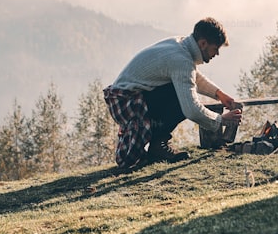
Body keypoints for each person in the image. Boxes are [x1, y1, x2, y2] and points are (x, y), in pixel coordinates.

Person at [104, 17, 243, 170]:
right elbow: (191, 110)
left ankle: (157, 144)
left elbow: (191, 75)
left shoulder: (180, 45)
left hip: (125, 97)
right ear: (203, 43)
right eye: (215, 48)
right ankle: (158, 143)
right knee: (182, 97)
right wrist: (220, 120)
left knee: (181, 89)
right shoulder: (181, 60)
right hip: (127, 103)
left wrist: (218, 94)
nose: (216, 54)